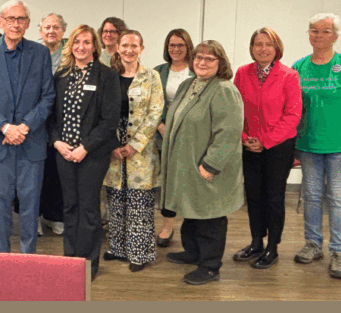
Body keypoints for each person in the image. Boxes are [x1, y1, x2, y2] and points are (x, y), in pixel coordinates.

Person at [0, 0, 55, 254]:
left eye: (21, 19)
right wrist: (6, 128)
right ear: (0, 22)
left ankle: (28, 256)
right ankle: (4, 256)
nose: (15, 24)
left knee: (30, 204)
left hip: (31, 142)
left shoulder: (40, 53)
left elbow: (47, 97)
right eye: (10, 18)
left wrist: (24, 127)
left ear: (28, 23)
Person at [162, 40, 244, 285]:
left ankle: (210, 266)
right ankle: (193, 252)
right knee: (192, 209)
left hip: (207, 166)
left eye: (210, 58)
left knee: (210, 215)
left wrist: (211, 165)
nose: (202, 62)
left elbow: (229, 132)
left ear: (220, 63)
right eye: (198, 57)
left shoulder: (224, 89)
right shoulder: (188, 84)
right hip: (187, 163)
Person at [50, 25, 120, 280]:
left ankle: (89, 263)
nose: (81, 47)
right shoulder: (61, 75)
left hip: (92, 154)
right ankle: (70, 258)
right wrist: (57, 142)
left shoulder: (107, 76)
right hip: (64, 152)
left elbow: (110, 121)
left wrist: (85, 147)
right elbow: (51, 115)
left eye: (86, 42)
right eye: (77, 42)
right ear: (71, 46)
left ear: (94, 46)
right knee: (69, 205)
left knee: (89, 207)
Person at [232, 28, 301, 269]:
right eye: (258, 44)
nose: (263, 49)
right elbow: (235, 109)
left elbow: (292, 115)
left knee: (273, 197)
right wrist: (244, 138)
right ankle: (256, 243)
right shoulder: (242, 73)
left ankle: (272, 247)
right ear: (252, 48)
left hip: (278, 147)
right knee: (253, 196)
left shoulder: (289, 76)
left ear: (276, 47)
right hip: (249, 145)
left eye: (268, 44)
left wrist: (266, 140)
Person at [103, 30, 164, 272]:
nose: (129, 50)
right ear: (118, 47)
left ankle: (139, 253)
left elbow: (155, 112)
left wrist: (134, 145)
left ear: (142, 49)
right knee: (115, 200)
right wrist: (111, 143)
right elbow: (101, 111)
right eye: (125, 45)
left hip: (141, 150)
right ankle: (117, 247)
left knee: (140, 203)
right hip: (113, 147)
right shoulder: (108, 75)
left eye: (134, 46)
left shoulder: (151, 76)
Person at [292, 13, 341, 279]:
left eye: (325, 31)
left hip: (338, 146)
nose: (319, 36)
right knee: (311, 196)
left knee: (337, 198)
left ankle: (339, 250)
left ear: (335, 36)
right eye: (314, 30)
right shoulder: (298, 67)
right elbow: (291, 106)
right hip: (308, 144)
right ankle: (313, 244)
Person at [153, 29, 195, 248]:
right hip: (164, 135)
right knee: (168, 183)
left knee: (190, 182)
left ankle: (191, 227)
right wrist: (161, 126)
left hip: (191, 137)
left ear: (188, 46)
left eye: (180, 45)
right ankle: (167, 225)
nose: (176, 49)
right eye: (172, 45)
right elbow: (152, 103)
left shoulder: (197, 70)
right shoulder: (158, 72)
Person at [37, 12, 68, 236]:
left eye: (56, 27)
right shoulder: (32, 50)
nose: (51, 31)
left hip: (63, 118)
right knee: (37, 170)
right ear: (40, 31)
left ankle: (56, 216)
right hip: (37, 117)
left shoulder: (71, 52)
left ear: (63, 31)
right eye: (47, 27)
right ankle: (36, 215)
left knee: (58, 171)